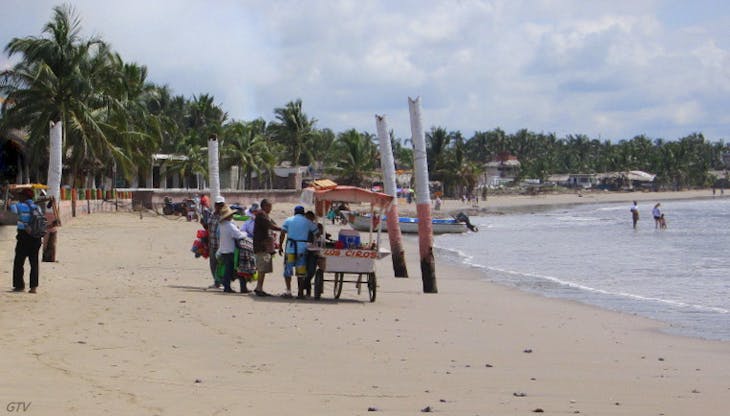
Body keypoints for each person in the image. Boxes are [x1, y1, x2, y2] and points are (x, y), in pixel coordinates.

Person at [278, 205, 318, 299]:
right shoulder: (307, 222)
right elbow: (317, 232)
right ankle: (300, 293)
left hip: (290, 248)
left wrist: (280, 246)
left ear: (295, 212)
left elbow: (282, 233)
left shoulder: (288, 220)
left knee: (288, 270)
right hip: (302, 249)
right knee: (301, 271)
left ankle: (288, 291)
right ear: (303, 213)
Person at [10, 188, 43, 293]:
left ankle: (19, 286)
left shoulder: (18, 206)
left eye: (21, 195)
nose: (19, 197)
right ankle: (33, 287)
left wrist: (10, 203)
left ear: (24, 197)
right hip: (36, 237)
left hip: (24, 236)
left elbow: (13, 215)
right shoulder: (37, 207)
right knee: (34, 263)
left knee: (19, 262)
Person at [216, 204, 248, 293]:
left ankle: (229, 287)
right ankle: (233, 287)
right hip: (231, 250)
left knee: (228, 269)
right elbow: (238, 235)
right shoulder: (229, 225)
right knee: (237, 269)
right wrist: (245, 233)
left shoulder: (222, 225)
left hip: (223, 249)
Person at [252, 199, 281, 297]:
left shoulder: (265, 215)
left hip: (265, 246)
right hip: (261, 246)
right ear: (264, 206)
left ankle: (259, 287)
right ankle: (259, 288)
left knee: (263, 268)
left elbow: (273, 224)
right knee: (262, 268)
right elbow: (271, 226)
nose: (271, 209)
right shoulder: (261, 215)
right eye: (269, 206)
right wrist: (283, 229)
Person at [205, 196, 226, 289]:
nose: (218, 206)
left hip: (222, 245)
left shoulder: (225, 216)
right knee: (213, 263)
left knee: (221, 264)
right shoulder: (212, 214)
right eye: (217, 204)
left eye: (220, 205)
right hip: (212, 243)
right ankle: (216, 282)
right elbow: (209, 227)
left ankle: (222, 282)